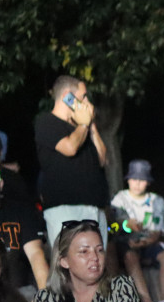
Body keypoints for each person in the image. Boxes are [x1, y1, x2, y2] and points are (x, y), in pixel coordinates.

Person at [34, 75, 109, 247]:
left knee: (96, 265)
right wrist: (83, 125)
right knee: (68, 265)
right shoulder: (47, 122)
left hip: (94, 207)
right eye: (83, 96)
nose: (86, 101)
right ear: (68, 95)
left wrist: (91, 126)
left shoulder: (83, 129)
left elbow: (102, 160)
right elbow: (69, 148)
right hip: (66, 209)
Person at [110, 159, 164, 302]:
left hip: (149, 242)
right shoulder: (120, 199)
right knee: (130, 256)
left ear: (148, 182)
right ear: (128, 180)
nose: (137, 183)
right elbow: (114, 227)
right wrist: (126, 224)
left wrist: (146, 242)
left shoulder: (156, 200)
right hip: (126, 242)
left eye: (142, 179)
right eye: (134, 179)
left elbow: (158, 230)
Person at [0, 160, 48, 291]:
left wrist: (45, 296)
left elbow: (36, 254)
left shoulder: (20, 211)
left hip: (20, 296)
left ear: (0, 184)